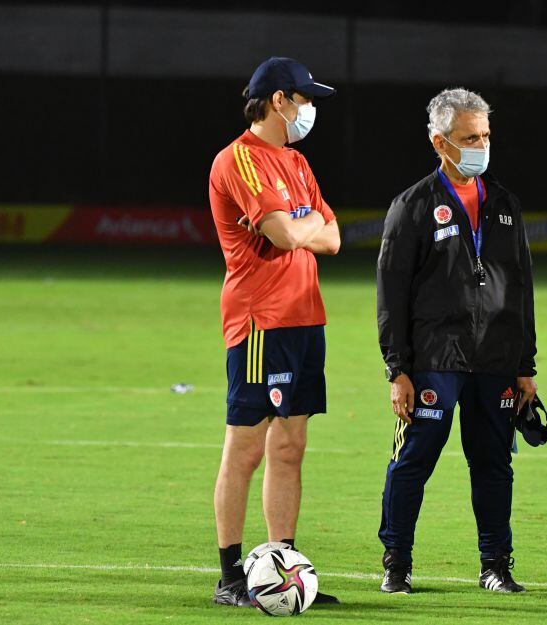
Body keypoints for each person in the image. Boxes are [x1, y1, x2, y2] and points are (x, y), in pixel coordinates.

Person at [375, 87, 538, 595]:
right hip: (433, 361)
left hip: (495, 361)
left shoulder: (505, 204)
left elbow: (522, 289)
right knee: (414, 460)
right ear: (440, 142)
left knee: (494, 464)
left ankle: (496, 564)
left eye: (486, 135)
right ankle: (397, 563)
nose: (481, 146)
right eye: (470, 137)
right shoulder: (413, 206)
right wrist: (397, 368)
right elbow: (390, 293)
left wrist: (525, 364)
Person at [207, 56, 342, 607]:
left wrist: (300, 226)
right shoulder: (238, 160)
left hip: (307, 317)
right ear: (279, 100)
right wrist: (303, 226)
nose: (312, 108)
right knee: (246, 451)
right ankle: (231, 576)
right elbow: (289, 235)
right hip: (262, 321)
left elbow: (330, 239)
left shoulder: (297, 162)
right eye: (306, 98)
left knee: (290, 448)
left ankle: (283, 569)